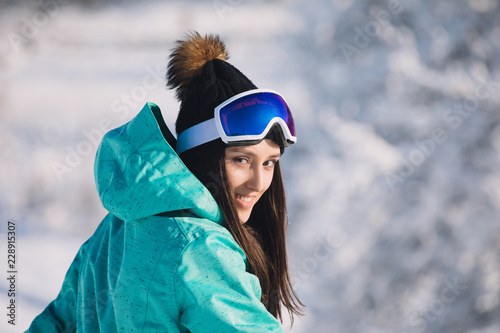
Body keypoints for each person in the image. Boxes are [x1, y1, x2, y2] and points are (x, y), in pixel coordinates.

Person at [27, 32, 303, 332]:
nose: (259, 182)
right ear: (203, 158)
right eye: (241, 160)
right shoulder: (201, 249)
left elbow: (55, 324)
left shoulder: (116, 228)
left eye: (269, 162)